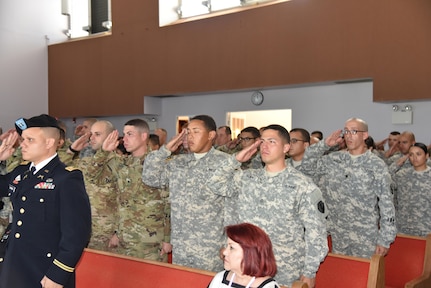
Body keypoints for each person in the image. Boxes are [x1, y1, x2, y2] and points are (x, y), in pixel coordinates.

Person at [209, 125, 328, 287]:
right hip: (247, 266)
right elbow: (215, 184)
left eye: (272, 141)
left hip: (283, 269)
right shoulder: (247, 178)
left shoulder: (303, 185)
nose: (265, 146)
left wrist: (309, 271)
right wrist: (235, 160)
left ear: (286, 147)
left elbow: (317, 233)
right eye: (262, 141)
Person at [0, 114, 91, 288]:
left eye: (30, 139)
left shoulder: (66, 178)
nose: (22, 144)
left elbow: (77, 233)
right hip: (15, 265)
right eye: (23, 139)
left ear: (49, 143)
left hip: (44, 270)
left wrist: (58, 274)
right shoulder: (21, 173)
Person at [142, 115, 232, 271]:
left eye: (196, 132)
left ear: (211, 135)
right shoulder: (179, 163)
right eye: (188, 132)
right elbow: (150, 178)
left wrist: (229, 245)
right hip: (182, 247)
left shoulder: (226, 163)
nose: (190, 137)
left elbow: (233, 208)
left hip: (210, 249)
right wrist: (165, 150)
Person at [301, 117, 396, 259]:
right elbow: (307, 166)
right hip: (338, 233)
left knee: (365, 278)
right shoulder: (334, 159)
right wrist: (324, 145)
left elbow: (387, 203)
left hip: (364, 236)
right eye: (346, 131)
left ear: (365, 135)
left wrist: (385, 239)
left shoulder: (376, 165)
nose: (349, 135)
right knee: (342, 276)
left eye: (354, 131)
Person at [84, 119, 170, 261]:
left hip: (150, 241)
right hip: (124, 239)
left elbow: (168, 204)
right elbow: (92, 177)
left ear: (143, 136)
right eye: (124, 135)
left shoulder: (158, 165)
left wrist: (167, 239)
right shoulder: (122, 164)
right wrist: (103, 152)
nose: (125, 139)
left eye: (130, 134)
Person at [208, 223, 279, 288]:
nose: (225, 252)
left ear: (250, 254)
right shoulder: (220, 278)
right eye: (227, 246)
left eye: (231, 248)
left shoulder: (268, 286)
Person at [391, 143, 431, 237]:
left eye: (418, 154)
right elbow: (385, 180)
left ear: (427, 156)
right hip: (403, 228)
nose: (414, 158)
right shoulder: (402, 175)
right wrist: (397, 164)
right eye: (411, 155)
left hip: (425, 229)